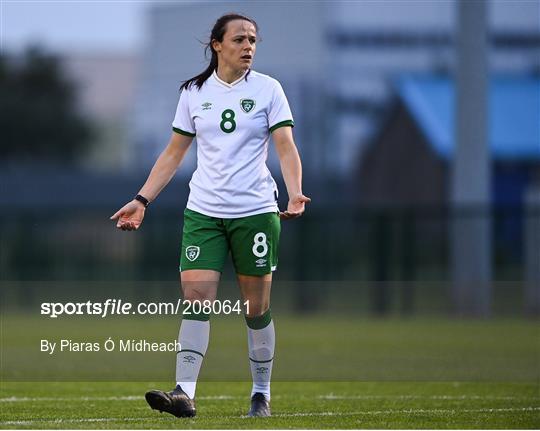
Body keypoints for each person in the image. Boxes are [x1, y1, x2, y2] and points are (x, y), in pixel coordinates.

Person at [110, 13, 309, 418]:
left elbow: (285, 145)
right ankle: (183, 392)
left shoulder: (269, 90)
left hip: (255, 212)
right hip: (203, 212)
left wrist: (295, 192)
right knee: (196, 299)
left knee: (256, 308)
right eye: (239, 39)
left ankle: (260, 393)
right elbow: (174, 153)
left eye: (253, 39)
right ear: (217, 45)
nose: (248, 46)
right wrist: (142, 200)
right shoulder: (193, 92)